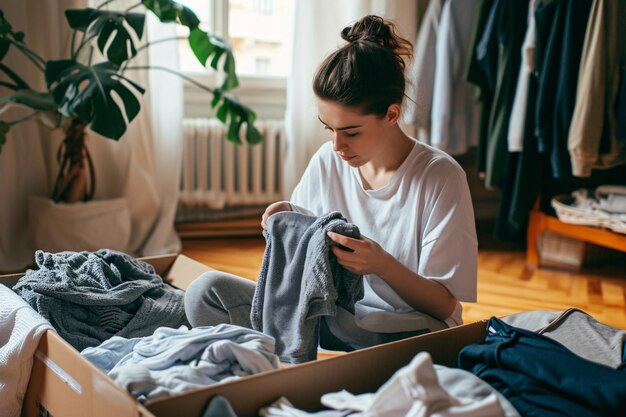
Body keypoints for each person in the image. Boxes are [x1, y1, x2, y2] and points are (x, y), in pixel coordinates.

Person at [184, 15, 477, 351]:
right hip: (331, 313)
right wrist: (288, 215)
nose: (337, 146)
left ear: (392, 115)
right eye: (329, 128)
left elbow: (443, 307)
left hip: (410, 326)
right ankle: (302, 360)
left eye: (351, 132)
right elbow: (304, 259)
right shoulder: (328, 159)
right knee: (203, 292)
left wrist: (380, 264)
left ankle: (287, 359)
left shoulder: (441, 177)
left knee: (337, 327)